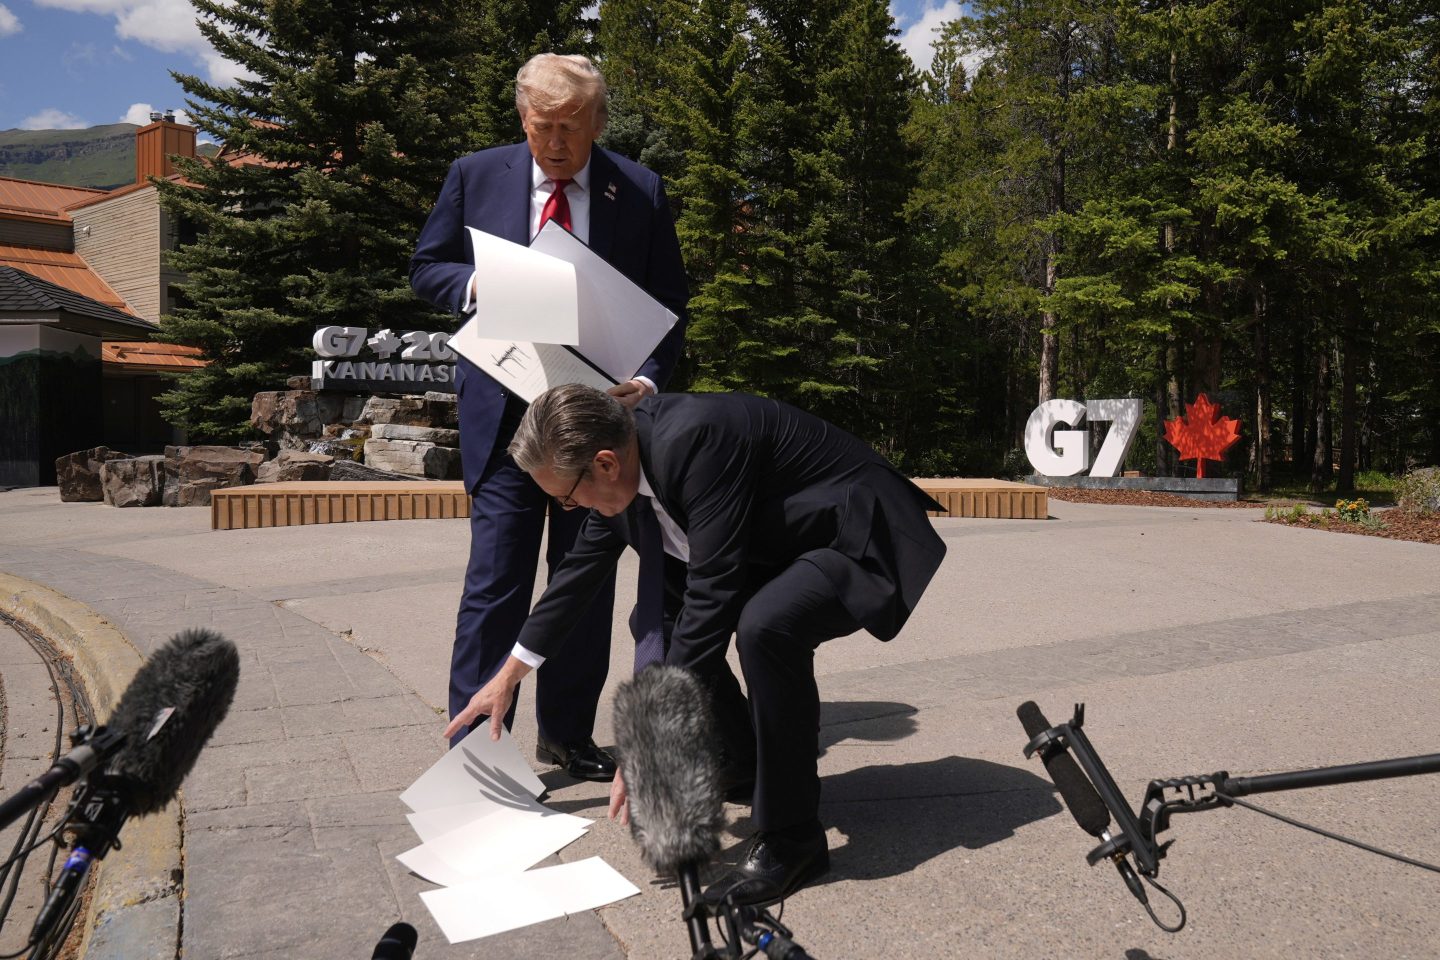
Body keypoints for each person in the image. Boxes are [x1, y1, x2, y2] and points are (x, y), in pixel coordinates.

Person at [444, 385, 947, 905]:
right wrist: (506, 677)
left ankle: (793, 836)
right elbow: (574, 581)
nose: (568, 509)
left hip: (855, 531)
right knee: (655, 618)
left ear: (605, 463)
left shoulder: (696, 439)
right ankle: (747, 760)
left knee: (765, 626)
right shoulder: (622, 459)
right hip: (777, 542)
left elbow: (714, 590)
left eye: (567, 497)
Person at [410, 54, 689, 778]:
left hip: (594, 426)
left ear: (598, 120)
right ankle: (473, 756)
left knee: (584, 584)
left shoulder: (641, 190)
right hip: (505, 423)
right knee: (495, 585)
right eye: (542, 126)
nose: (556, 143)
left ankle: (565, 735)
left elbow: (670, 311)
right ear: (522, 117)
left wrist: (649, 381)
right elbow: (427, 266)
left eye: (571, 126)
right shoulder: (476, 175)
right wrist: (477, 285)